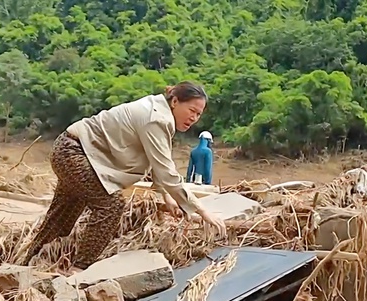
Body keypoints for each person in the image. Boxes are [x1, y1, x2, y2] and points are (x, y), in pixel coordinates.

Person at [25, 81, 227, 268]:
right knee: (111, 206)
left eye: (199, 114)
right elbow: (166, 172)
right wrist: (202, 211)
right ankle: (79, 269)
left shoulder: (158, 112)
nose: (194, 118)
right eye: (191, 110)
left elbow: (157, 161)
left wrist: (167, 196)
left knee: (61, 217)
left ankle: (28, 265)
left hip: (73, 151)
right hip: (74, 153)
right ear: (175, 101)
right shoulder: (156, 119)